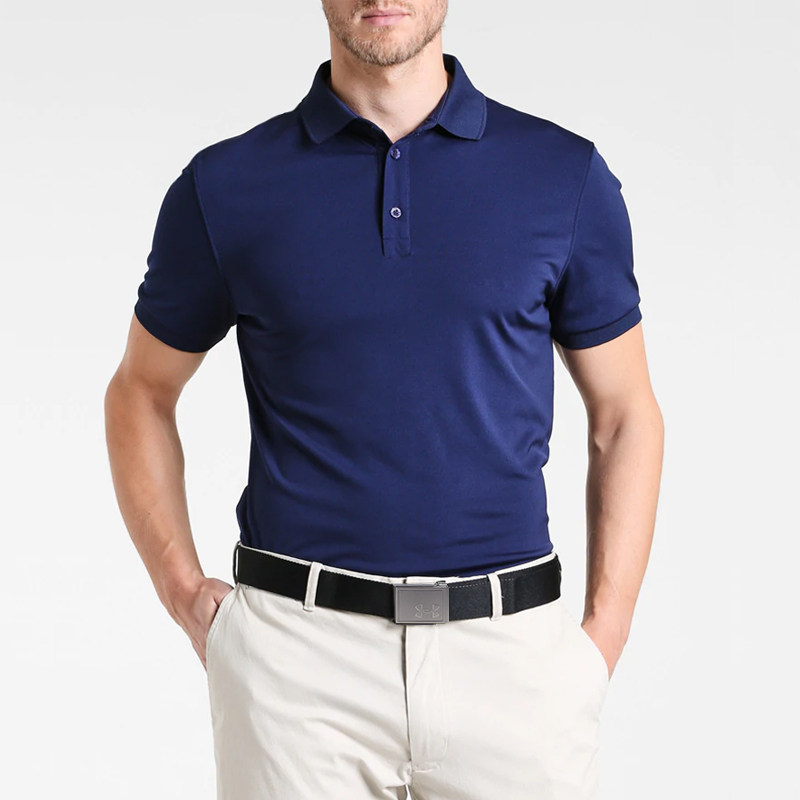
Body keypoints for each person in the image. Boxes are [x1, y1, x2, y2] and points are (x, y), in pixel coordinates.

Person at [104, 1, 664, 798]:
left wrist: (604, 634)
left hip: (513, 667)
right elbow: (140, 390)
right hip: (297, 671)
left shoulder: (562, 176)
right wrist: (183, 591)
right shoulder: (226, 187)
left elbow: (625, 414)